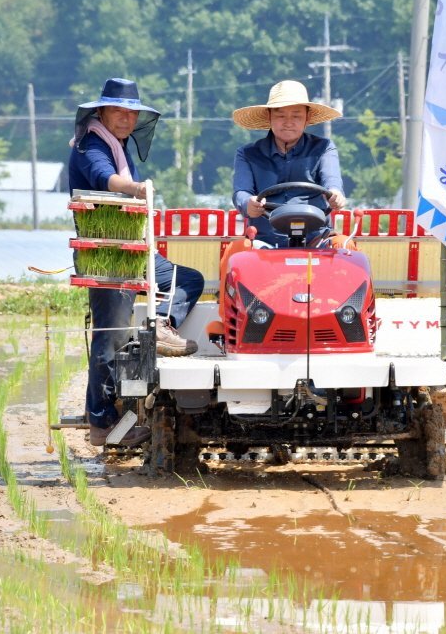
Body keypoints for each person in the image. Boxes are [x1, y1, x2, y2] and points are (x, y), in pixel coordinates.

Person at [68, 78, 205, 447]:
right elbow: (102, 178)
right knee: (110, 338)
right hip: (106, 255)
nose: (126, 119)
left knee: (187, 279)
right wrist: (136, 188)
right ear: (101, 111)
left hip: (136, 250)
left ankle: (163, 322)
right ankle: (102, 424)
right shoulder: (90, 144)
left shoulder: (119, 145)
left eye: (132, 113)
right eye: (119, 111)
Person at [231, 79, 347, 247]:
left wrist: (335, 194)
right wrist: (248, 203)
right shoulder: (247, 154)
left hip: (317, 240)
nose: (288, 122)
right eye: (280, 115)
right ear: (269, 117)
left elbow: (332, 180)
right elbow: (241, 192)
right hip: (264, 242)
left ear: (307, 119)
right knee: (236, 252)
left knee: (344, 246)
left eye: (296, 116)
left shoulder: (324, 148)